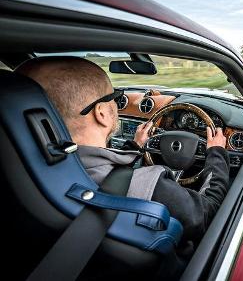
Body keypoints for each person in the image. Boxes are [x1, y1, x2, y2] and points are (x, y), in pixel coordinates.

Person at [15, 56, 230, 244]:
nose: (117, 105)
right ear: (101, 113)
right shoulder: (150, 187)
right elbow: (206, 214)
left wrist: (135, 146)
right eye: (115, 98)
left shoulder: (24, 171)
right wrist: (217, 153)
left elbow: (112, 174)